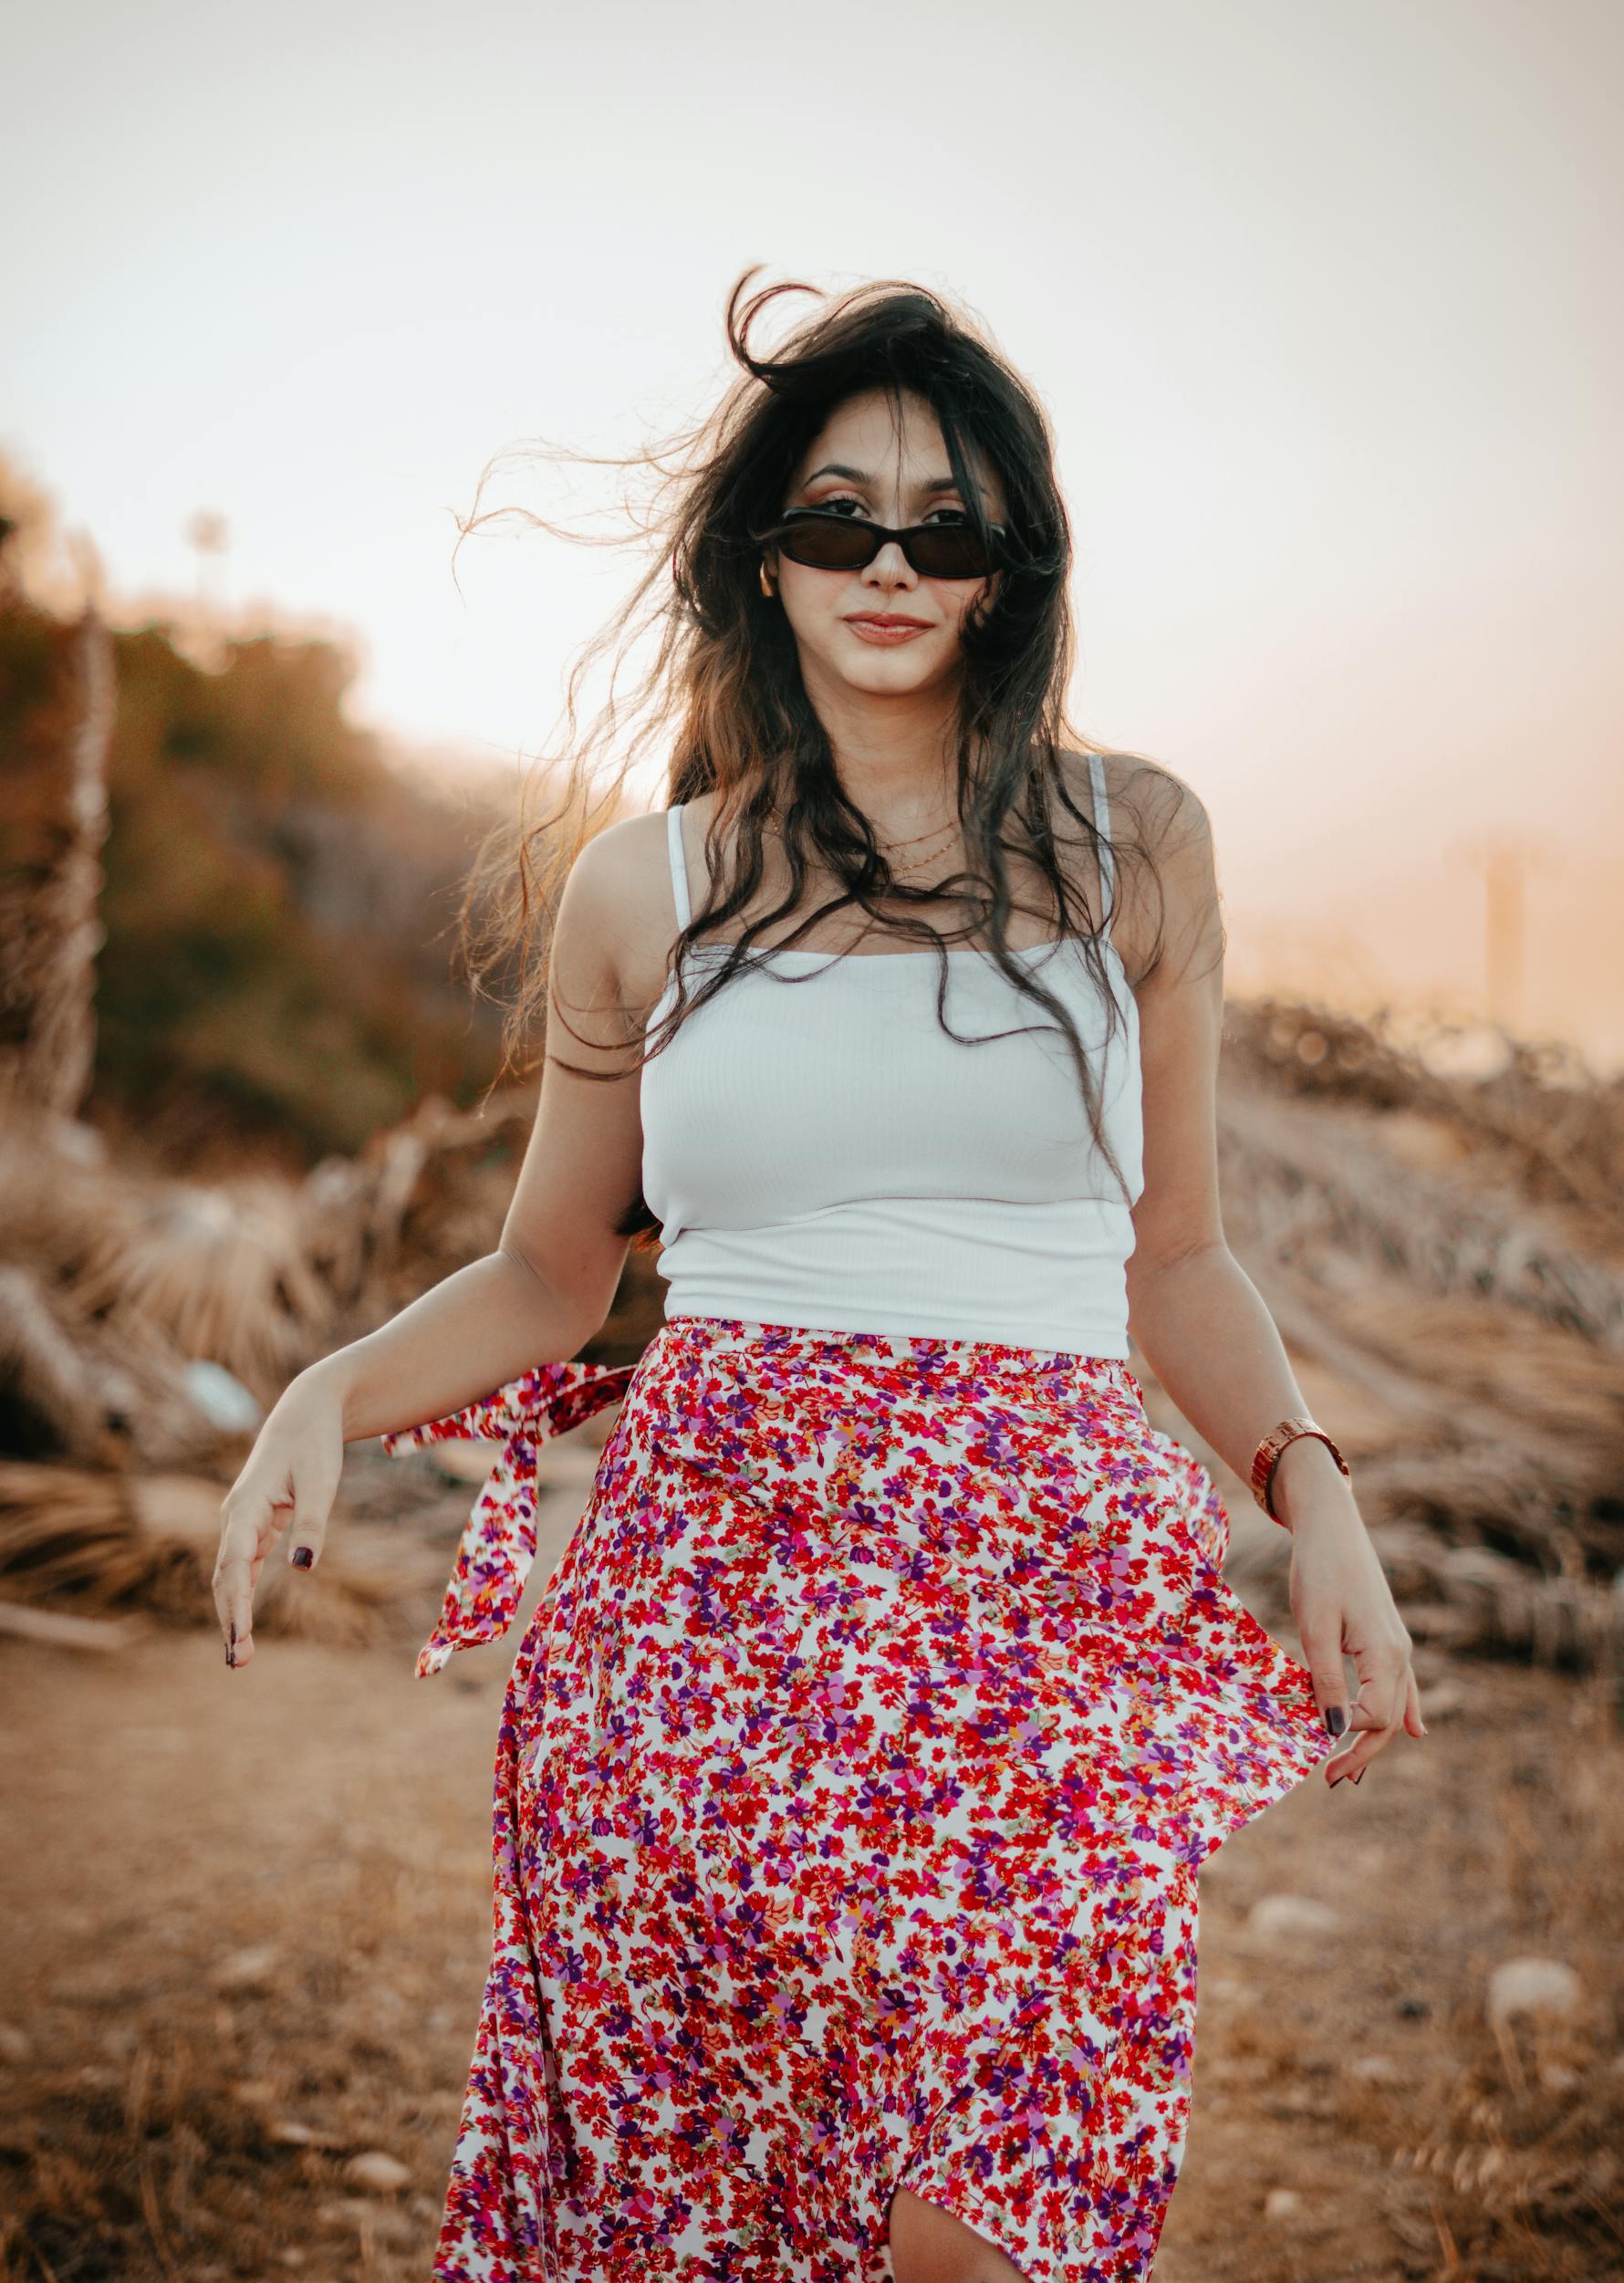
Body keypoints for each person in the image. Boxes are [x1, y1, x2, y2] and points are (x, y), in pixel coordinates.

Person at [213, 272, 1424, 2283]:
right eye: (836, 515)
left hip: (1040, 1604)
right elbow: (545, 1270)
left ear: (1008, 566)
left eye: (942, 523)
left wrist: (1320, 1503)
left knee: (993, 2223)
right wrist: (315, 1398)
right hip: (704, 1627)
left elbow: (1181, 1259)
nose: (887, 560)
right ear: (759, 559)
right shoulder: (648, 886)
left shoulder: (1142, 848)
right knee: (707, 2224)